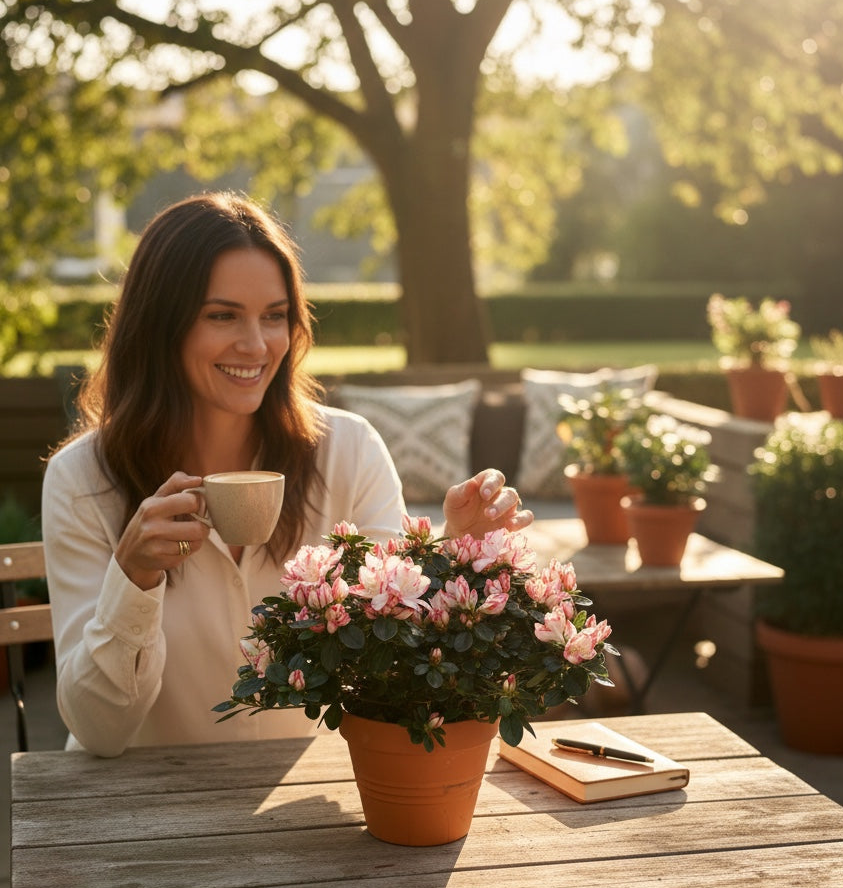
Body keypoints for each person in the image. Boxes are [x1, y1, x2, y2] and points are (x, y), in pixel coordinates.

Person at [42, 191, 533, 756]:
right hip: (139, 817)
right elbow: (99, 730)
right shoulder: (82, 481)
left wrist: (451, 558)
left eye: (274, 316)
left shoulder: (347, 451)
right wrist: (132, 579)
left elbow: (393, 666)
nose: (256, 345)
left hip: (304, 803)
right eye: (222, 315)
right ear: (159, 325)